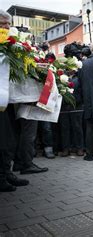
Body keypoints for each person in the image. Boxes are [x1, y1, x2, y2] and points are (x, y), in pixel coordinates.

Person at [0, 9, 29, 191]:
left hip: (9, 99)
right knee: (4, 139)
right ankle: (1, 176)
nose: (7, 28)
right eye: (3, 24)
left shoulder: (11, 45)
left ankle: (7, 172)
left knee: (11, 137)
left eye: (8, 24)